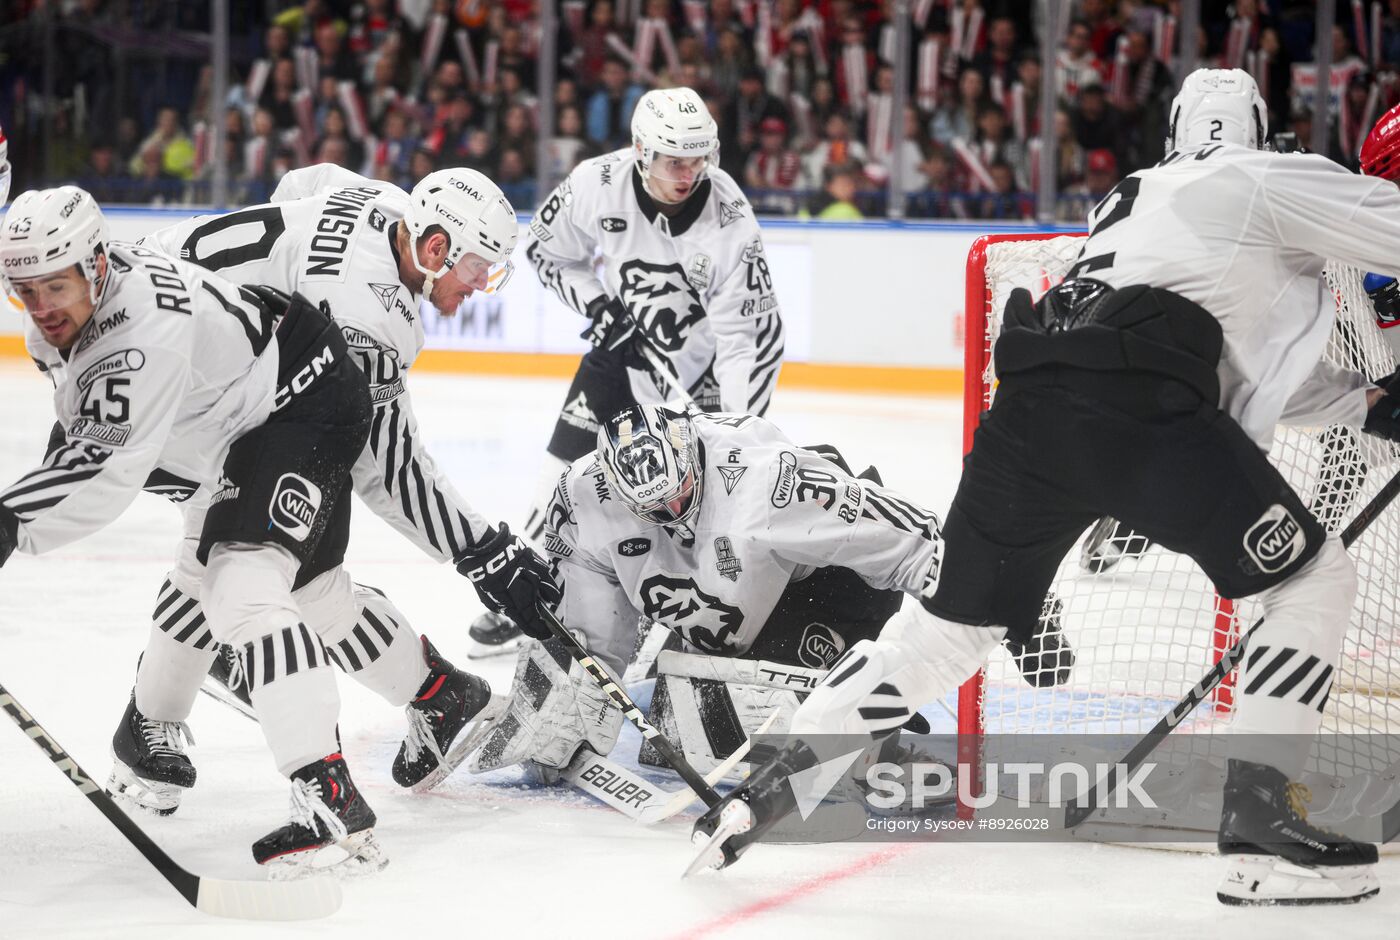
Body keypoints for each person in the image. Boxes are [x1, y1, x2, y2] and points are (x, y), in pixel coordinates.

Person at [691, 69, 1400, 906]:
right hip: (1141, 415)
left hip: (1026, 416)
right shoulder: (1262, 176)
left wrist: (1371, 406)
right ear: (1257, 126)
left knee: (945, 637)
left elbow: (1247, 355)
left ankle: (760, 788)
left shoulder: (1127, 203)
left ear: (1174, 129)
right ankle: (1260, 828)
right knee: (1311, 581)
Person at [106, 164, 560, 815]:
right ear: (435, 249)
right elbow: (389, 468)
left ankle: (433, 694)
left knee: (272, 561)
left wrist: (278, 283)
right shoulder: (369, 315)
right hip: (173, 373)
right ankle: (154, 722)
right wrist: (482, 550)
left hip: (191, 344)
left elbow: (300, 182)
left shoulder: (381, 199)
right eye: (476, 270)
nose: (481, 287)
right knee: (236, 555)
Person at [0, 186, 383, 875]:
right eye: (26, 291)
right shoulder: (73, 316)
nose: (43, 307)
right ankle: (147, 729)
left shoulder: (139, 327)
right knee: (205, 567)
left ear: (94, 266)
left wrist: (9, 522)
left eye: (56, 285)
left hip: (299, 398)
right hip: (223, 422)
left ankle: (325, 792)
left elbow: (104, 465)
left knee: (243, 580)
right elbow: (99, 436)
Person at [466, 404, 1071, 782]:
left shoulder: (772, 484)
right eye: (653, 510)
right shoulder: (584, 497)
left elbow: (906, 538)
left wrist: (1006, 597)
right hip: (733, 604)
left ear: (692, 458)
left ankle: (879, 721)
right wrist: (582, 700)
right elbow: (596, 616)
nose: (671, 516)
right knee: (678, 733)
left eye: (680, 498)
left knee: (729, 738)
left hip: (829, 588)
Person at [466, 87, 786, 658]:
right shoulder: (597, 183)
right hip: (621, 350)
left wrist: (735, 428)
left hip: (701, 378)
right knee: (562, 474)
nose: (688, 173)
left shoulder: (730, 220)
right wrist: (597, 304)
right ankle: (535, 595)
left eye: (698, 158)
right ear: (641, 151)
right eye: (673, 160)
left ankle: (694, 612)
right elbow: (543, 250)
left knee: (695, 501)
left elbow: (750, 342)